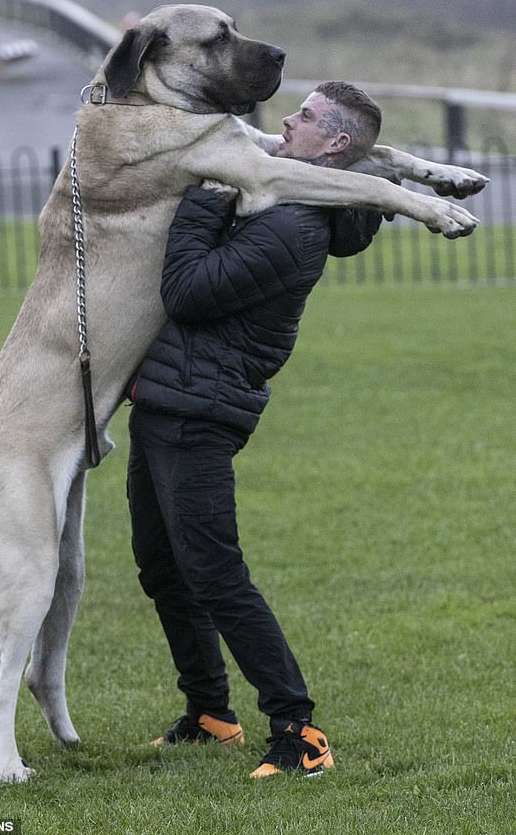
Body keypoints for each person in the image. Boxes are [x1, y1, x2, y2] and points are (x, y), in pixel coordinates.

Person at [126, 81, 383, 778]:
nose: (286, 120)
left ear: (333, 144)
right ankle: (211, 714)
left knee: (214, 571)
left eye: (303, 116)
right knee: (161, 567)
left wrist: (210, 190)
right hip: (166, 398)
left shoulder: (295, 225)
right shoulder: (278, 199)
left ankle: (300, 731)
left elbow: (186, 289)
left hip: (200, 412)